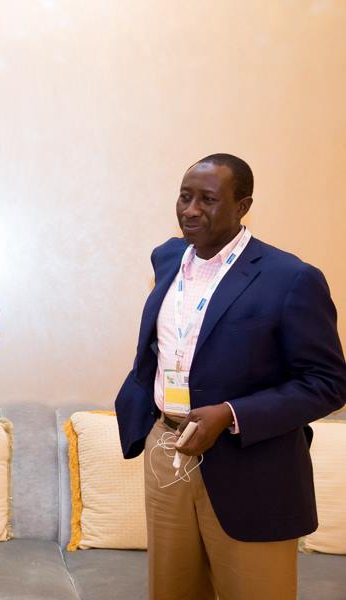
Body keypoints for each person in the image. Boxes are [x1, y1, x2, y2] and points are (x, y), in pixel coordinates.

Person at [114, 153, 346, 600]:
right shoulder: (167, 258)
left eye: (207, 199)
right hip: (167, 450)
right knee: (172, 591)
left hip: (252, 464)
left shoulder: (291, 278)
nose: (191, 210)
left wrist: (231, 413)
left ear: (243, 206)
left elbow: (328, 382)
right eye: (184, 197)